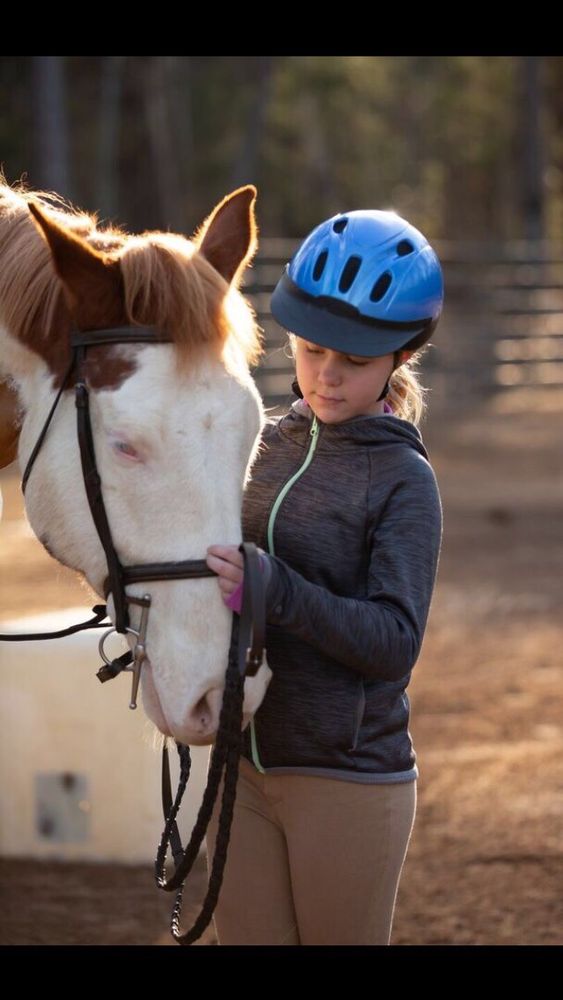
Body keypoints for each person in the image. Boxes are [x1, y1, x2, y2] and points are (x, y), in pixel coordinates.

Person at [204, 209, 444, 946]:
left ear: (398, 359)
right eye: (310, 351)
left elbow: (393, 642)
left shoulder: (404, 480)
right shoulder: (262, 444)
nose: (326, 376)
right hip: (234, 767)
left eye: (353, 361)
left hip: (346, 779)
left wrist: (276, 592)